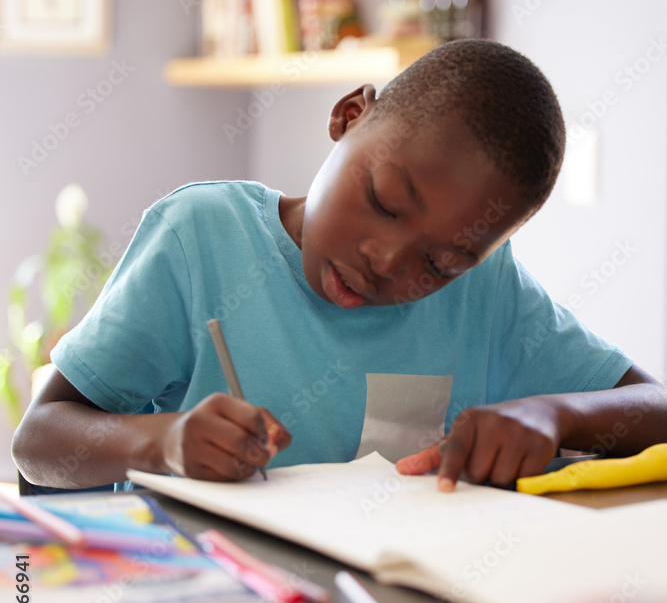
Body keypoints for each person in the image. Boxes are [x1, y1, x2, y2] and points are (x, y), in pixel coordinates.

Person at [12, 41, 667, 493]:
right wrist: (162, 442)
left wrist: (555, 416)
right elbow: (38, 442)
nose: (386, 261)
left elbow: (654, 406)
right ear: (349, 116)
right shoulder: (201, 237)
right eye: (382, 201)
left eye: (440, 262)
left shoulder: (488, 292)